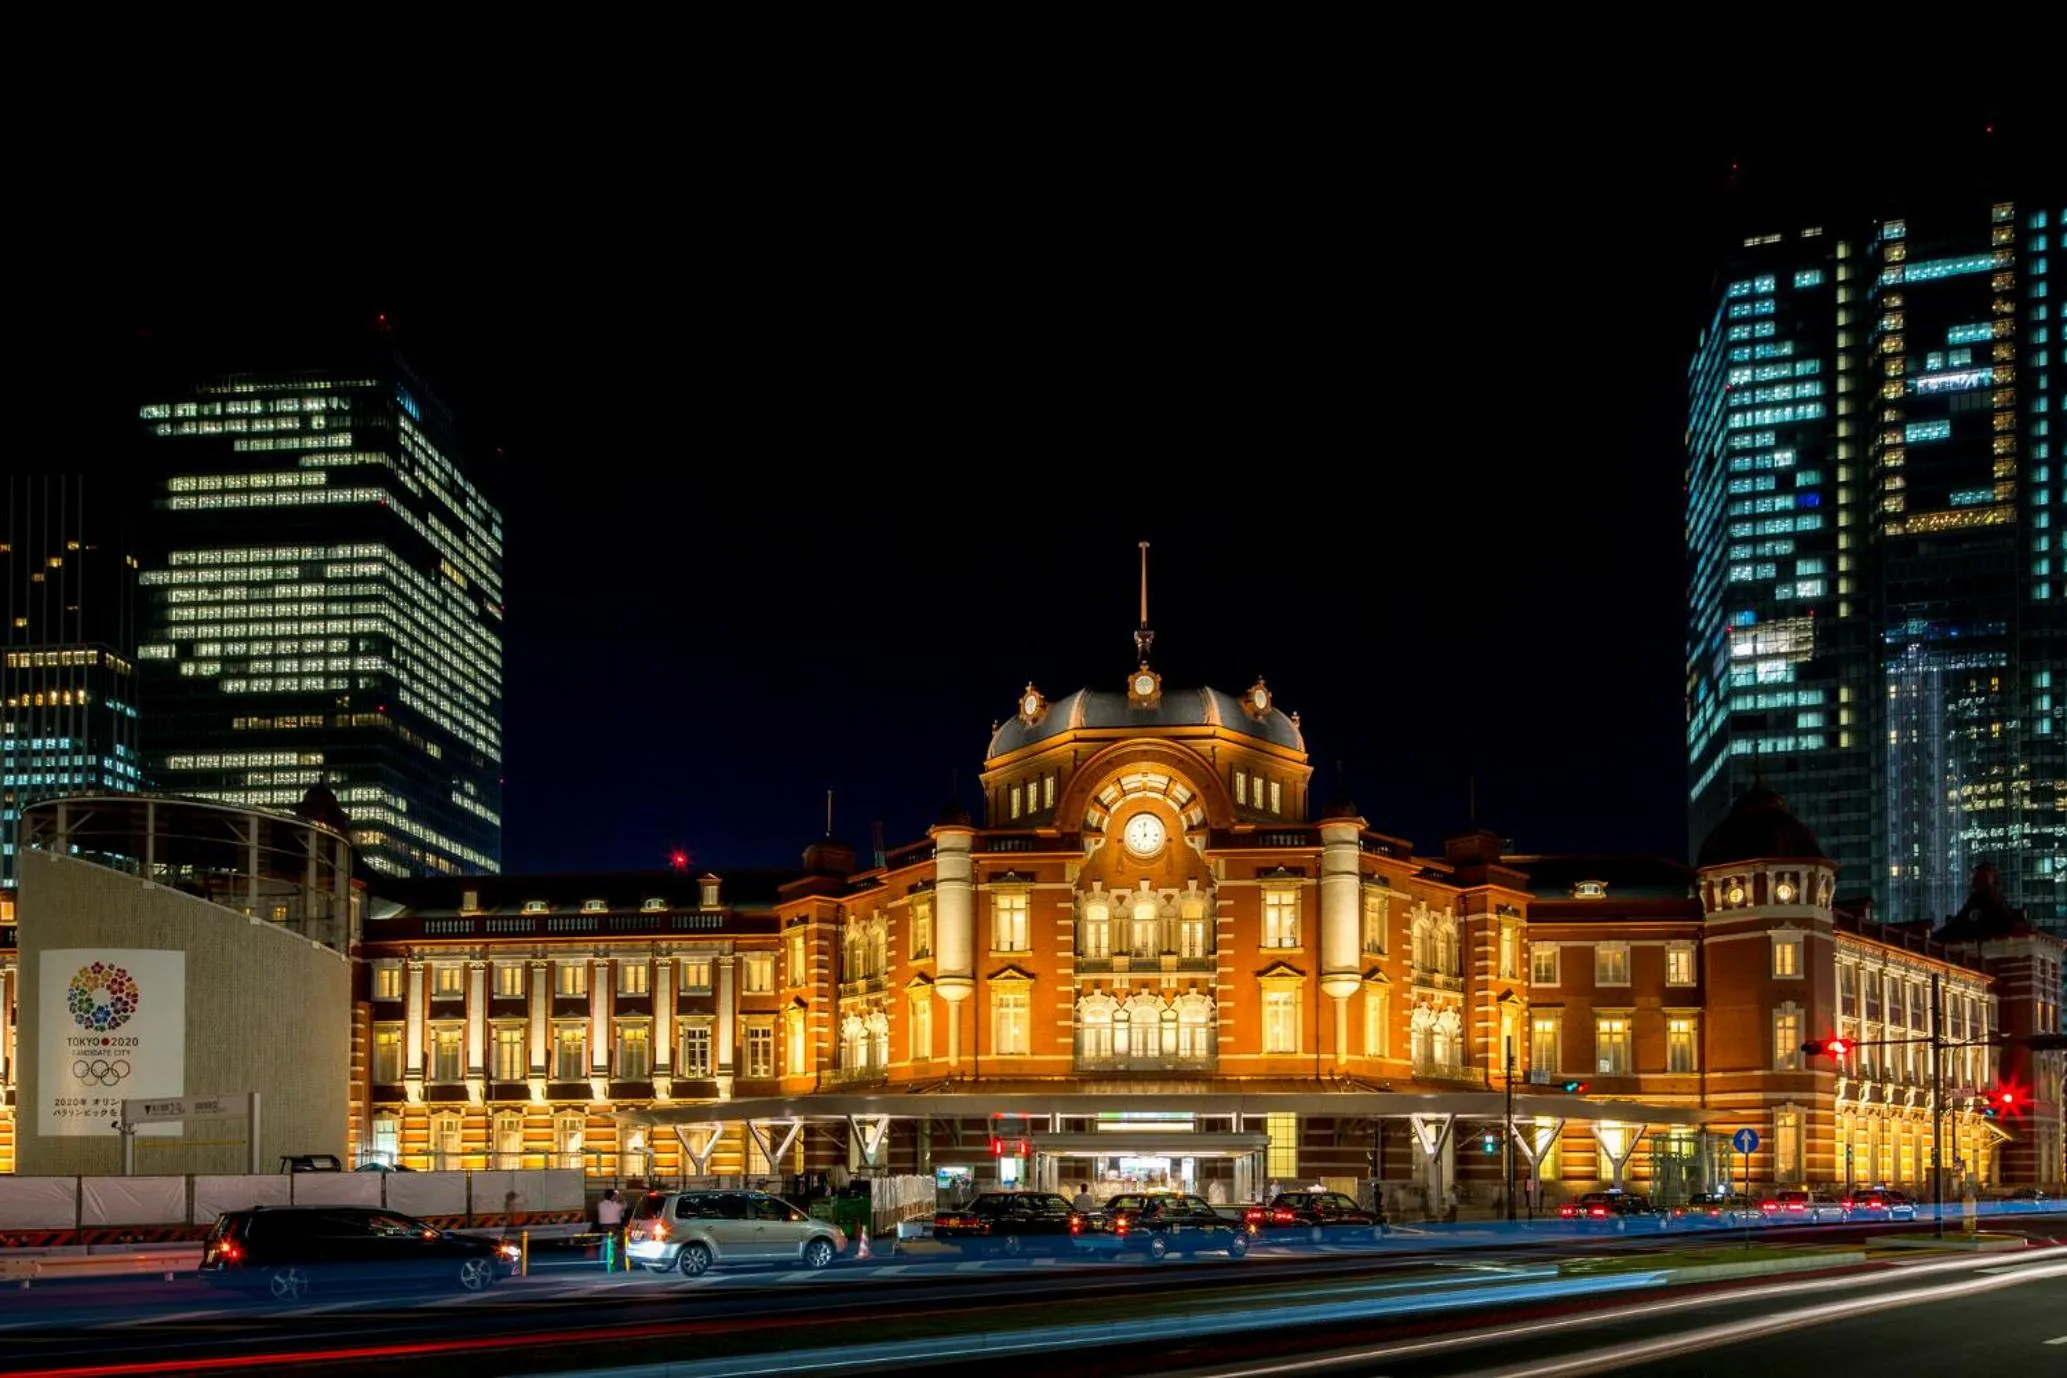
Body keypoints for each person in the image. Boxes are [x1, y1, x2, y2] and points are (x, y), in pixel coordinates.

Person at [596, 1187, 626, 1262]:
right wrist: (620, 1196)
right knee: (617, 1244)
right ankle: (616, 1260)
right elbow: (624, 1206)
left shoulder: (600, 1205)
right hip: (614, 1228)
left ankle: (601, 1259)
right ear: (612, 1196)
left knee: (604, 1244)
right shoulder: (616, 1205)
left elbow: (600, 1201)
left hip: (604, 1228)